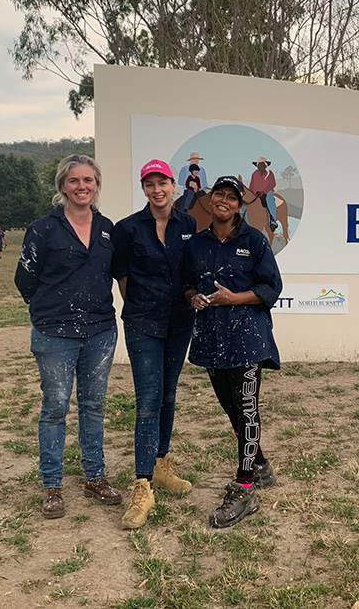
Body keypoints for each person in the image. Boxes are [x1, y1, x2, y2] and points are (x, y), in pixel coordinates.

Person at [14, 154, 122, 519]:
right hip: (55, 333)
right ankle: (53, 485)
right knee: (56, 408)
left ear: (97, 185)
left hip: (100, 331)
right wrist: (49, 308)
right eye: (74, 181)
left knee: (93, 406)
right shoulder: (42, 229)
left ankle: (94, 477)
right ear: (62, 186)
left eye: (88, 180)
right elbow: (25, 279)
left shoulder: (108, 229)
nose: (82, 187)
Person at [183, 175, 281, 528]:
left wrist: (233, 298)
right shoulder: (196, 245)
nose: (223, 201)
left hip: (247, 341)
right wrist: (192, 296)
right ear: (210, 200)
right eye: (218, 195)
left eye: (231, 197)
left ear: (240, 205)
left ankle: (244, 488)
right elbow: (186, 284)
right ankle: (261, 464)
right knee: (232, 411)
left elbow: (272, 286)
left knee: (248, 410)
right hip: (211, 340)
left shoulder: (254, 241)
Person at [111, 160, 197, 530]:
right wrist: (139, 308)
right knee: (147, 401)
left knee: (168, 395)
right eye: (150, 184)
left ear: (173, 185)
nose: (157, 189)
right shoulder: (127, 229)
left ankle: (162, 464)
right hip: (143, 323)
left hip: (180, 322)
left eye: (162, 182)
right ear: (144, 189)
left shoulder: (189, 225)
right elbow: (122, 276)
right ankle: (142, 483)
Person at [247, 156, 278, 231]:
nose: (260, 166)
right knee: (246, 203)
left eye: (262, 165)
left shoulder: (270, 173)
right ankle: (246, 223)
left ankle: (273, 221)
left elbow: (272, 184)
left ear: (265, 166)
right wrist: (252, 193)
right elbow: (251, 186)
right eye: (259, 165)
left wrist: (264, 191)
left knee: (269, 198)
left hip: (267, 192)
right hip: (256, 193)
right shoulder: (254, 174)